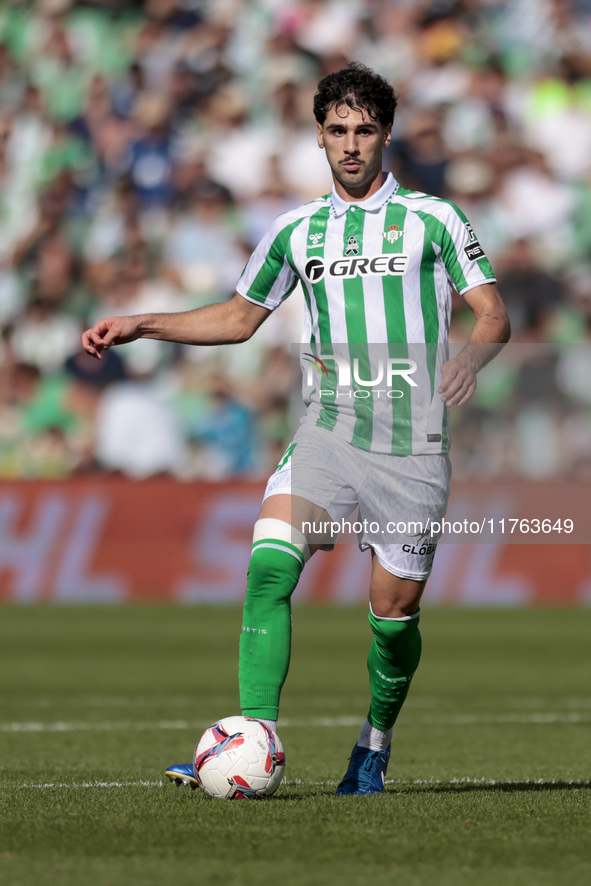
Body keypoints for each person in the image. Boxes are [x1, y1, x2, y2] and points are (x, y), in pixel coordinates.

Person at [82, 63, 510, 795]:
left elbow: (492, 312)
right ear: (318, 135)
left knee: (393, 615)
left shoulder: (434, 220)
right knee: (269, 566)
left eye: (364, 131)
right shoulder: (295, 228)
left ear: (385, 134)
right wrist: (141, 321)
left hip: (410, 443)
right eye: (337, 131)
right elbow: (239, 317)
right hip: (329, 429)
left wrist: (469, 357)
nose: (350, 145)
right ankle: (253, 736)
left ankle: (372, 747)